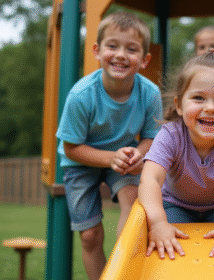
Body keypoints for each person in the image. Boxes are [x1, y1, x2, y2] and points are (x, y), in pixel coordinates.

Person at [56, 11, 162, 280]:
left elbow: (152, 137)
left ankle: (122, 269)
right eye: (112, 46)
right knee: (90, 235)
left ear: (145, 60)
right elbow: (71, 148)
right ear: (97, 51)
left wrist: (139, 153)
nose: (121, 55)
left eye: (132, 49)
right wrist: (109, 158)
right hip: (82, 162)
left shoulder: (149, 93)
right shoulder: (82, 96)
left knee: (133, 199)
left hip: (124, 156)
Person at [138, 51, 214, 261]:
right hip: (175, 205)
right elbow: (150, 178)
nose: (210, 108)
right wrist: (158, 223)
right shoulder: (171, 134)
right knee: (171, 251)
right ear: (179, 105)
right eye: (198, 98)